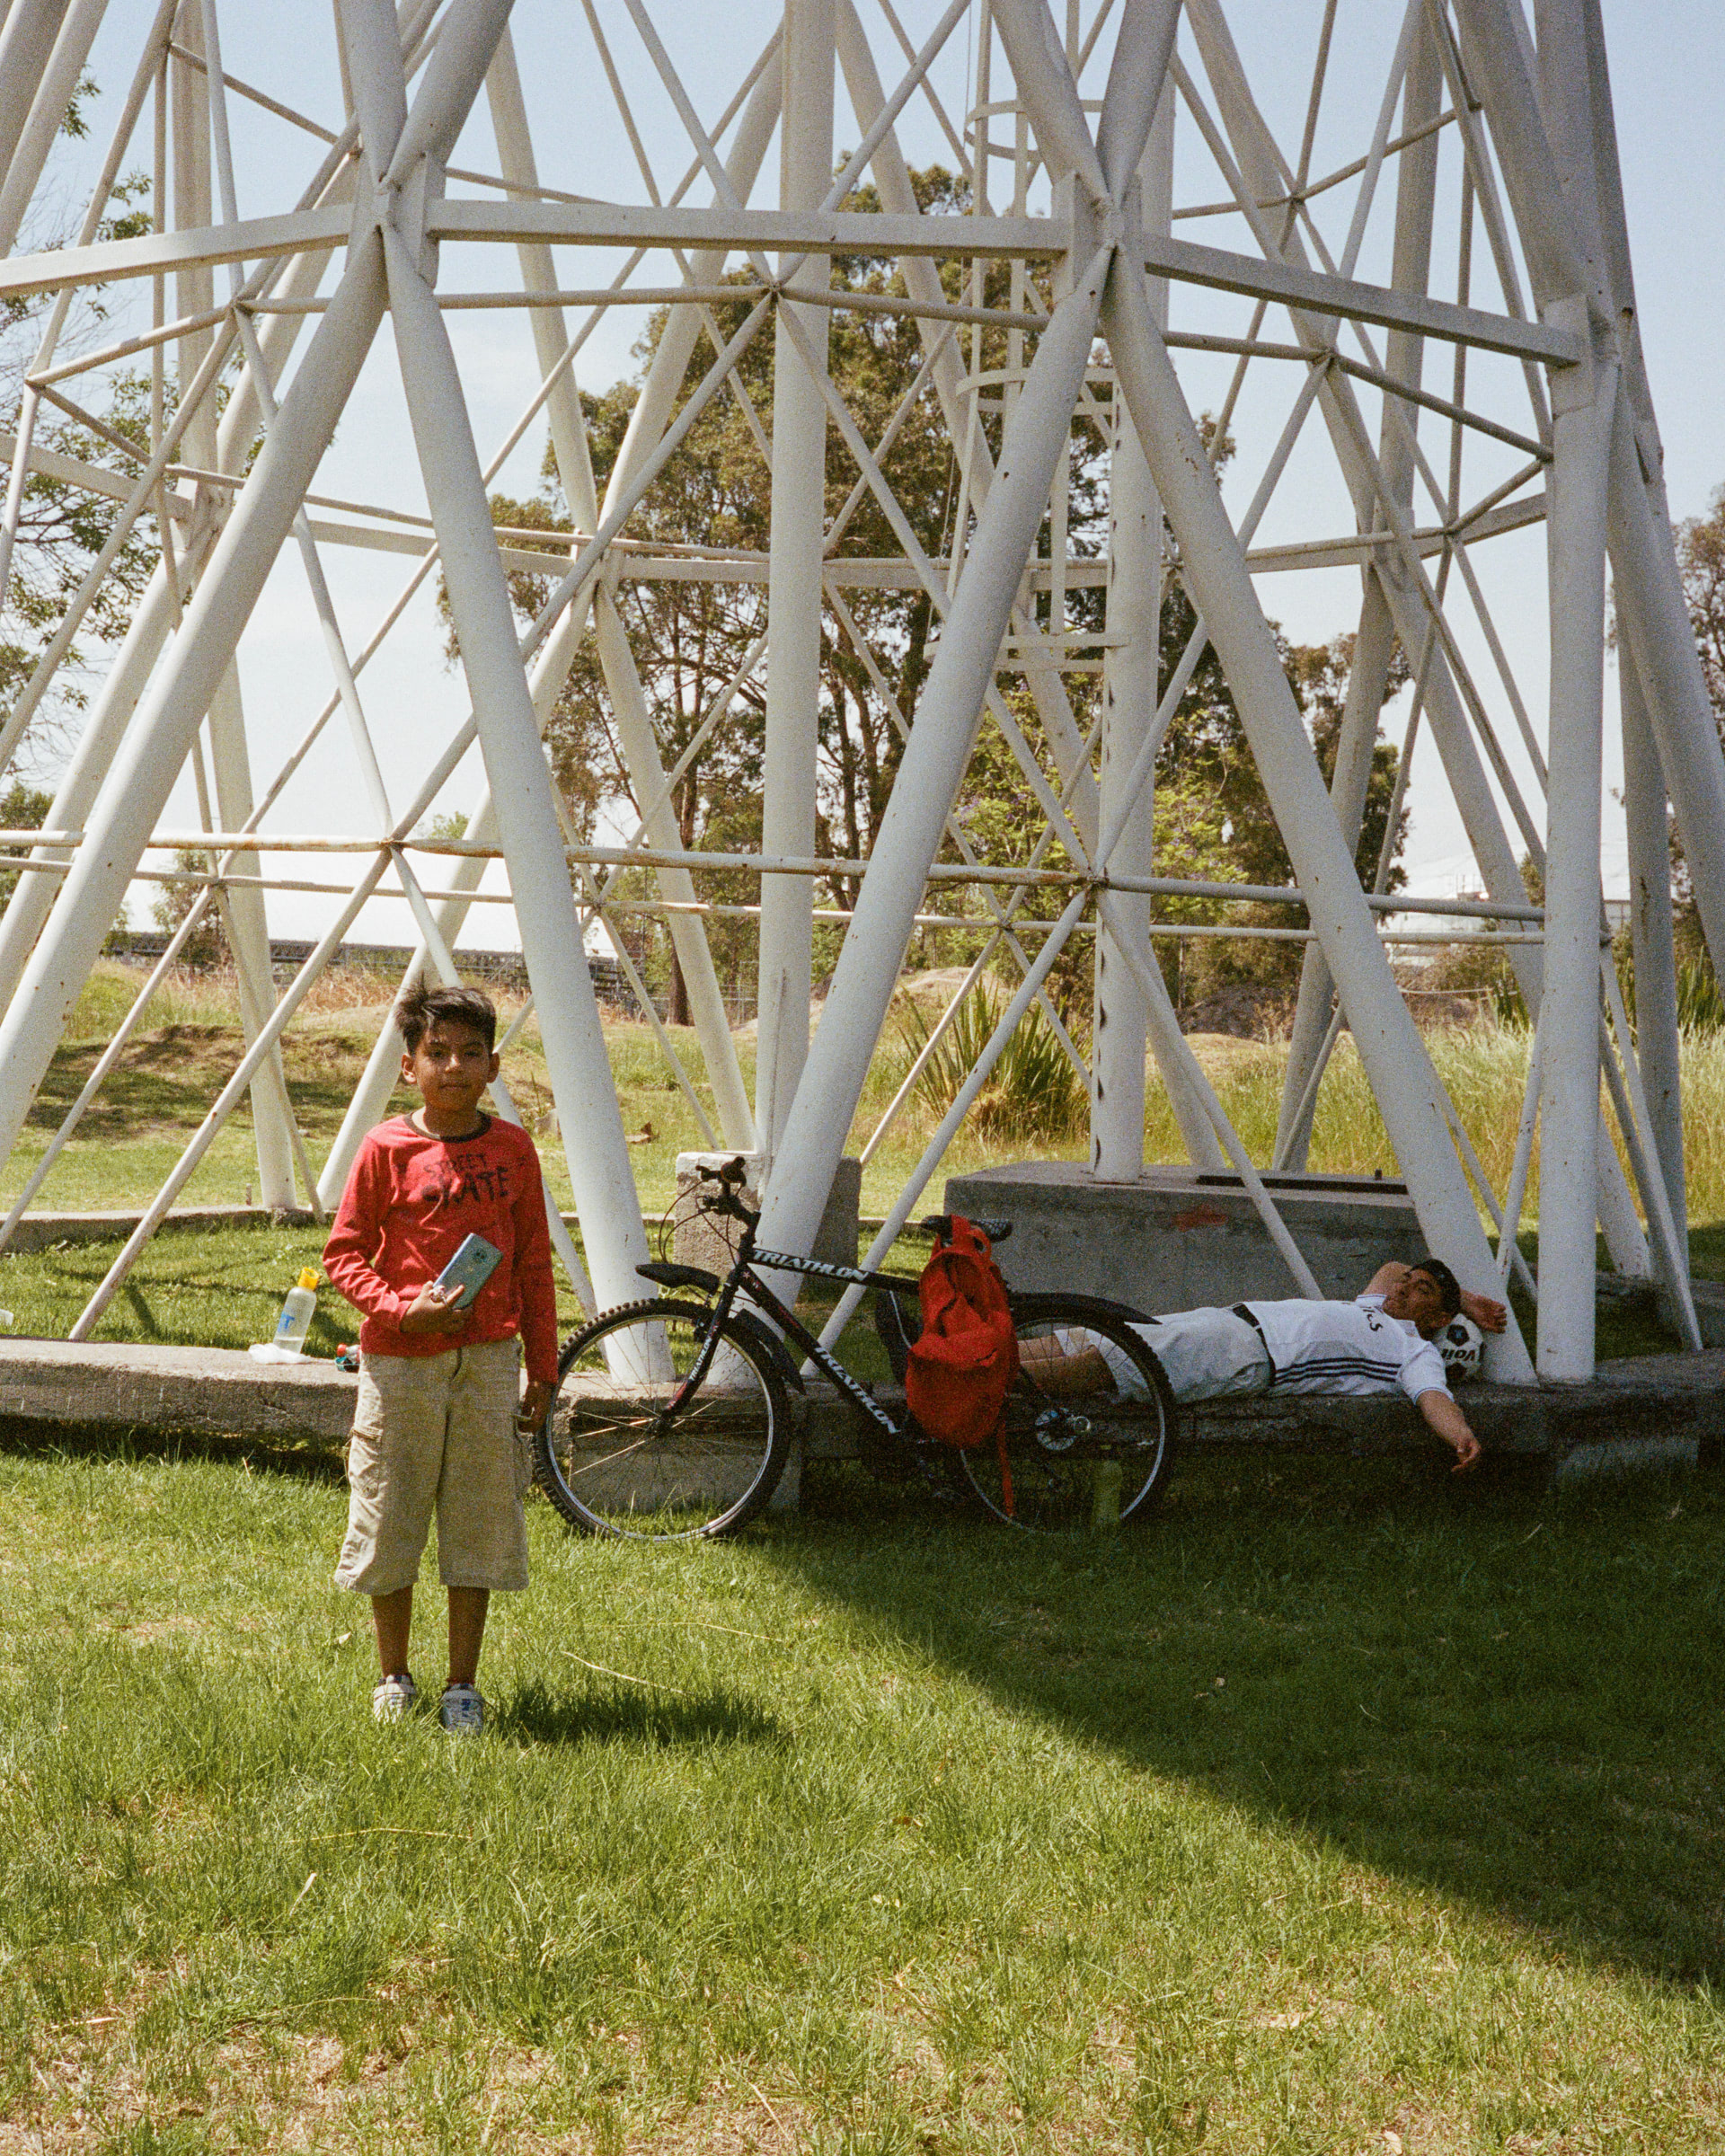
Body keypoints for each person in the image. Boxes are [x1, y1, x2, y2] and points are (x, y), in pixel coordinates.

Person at [324, 982, 558, 1731]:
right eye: (437, 1053)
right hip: (401, 1365)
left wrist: (544, 1368)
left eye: (470, 1052)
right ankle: (393, 1676)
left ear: (493, 1066)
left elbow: (533, 1264)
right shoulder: (385, 1149)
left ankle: (463, 1685)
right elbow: (343, 1254)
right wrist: (402, 1310)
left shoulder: (513, 1150)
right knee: (390, 1513)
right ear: (409, 1066)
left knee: (478, 1519)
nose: (453, 1066)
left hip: (487, 1363)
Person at [1025, 1257, 1506, 1473]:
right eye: (1409, 1281)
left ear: (1438, 1319)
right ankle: (986, 1356)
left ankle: (985, 1379)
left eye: (1421, 1290)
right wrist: (1462, 1297)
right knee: (1085, 1336)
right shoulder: (1372, 1304)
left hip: (1251, 1355)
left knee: (1107, 1362)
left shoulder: (1413, 1352)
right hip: (1230, 1319)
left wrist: (1461, 1436)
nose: (1403, 1287)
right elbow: (1391, 1268)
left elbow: (1433, 1398)